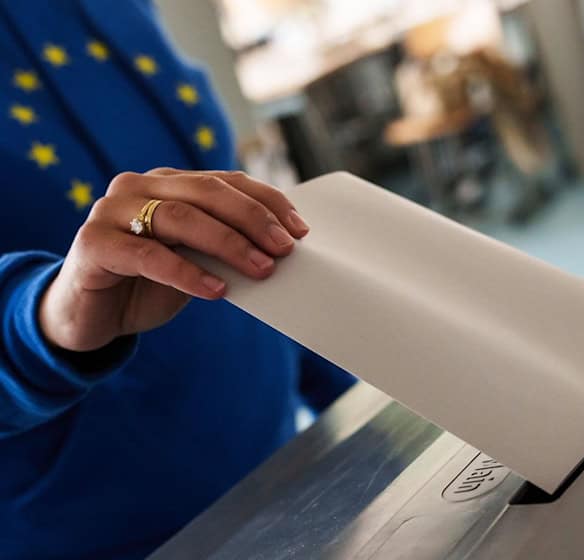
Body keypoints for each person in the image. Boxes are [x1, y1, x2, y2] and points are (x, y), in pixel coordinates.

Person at [0, 1, 355, 558]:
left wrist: (360, 401)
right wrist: (46, 321)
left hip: (296, 473)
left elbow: (227, 243)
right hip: (111, 539)